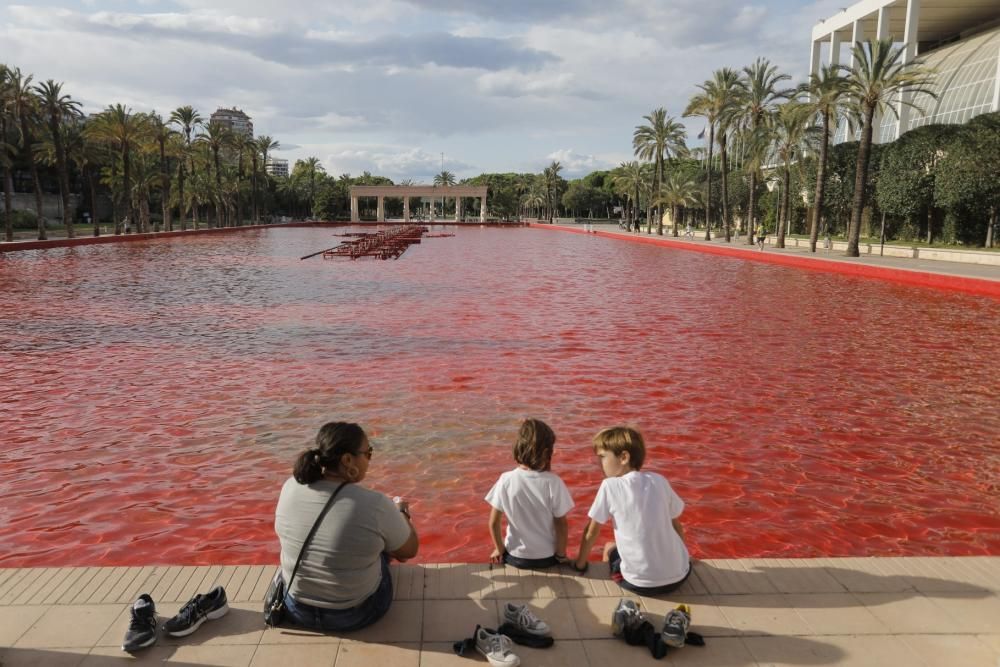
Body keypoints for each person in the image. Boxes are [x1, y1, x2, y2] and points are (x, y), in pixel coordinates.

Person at [274, 422, 418, 632]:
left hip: (296, 609)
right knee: (384, 546)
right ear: (348, 460)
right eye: (368, 453)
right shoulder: (374, 504)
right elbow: (410, 551)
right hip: (354, 614)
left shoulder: (290, 486)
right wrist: (401, 513)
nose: (369, 460)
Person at [573, 426, 690, 595]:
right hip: (680, 577)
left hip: (638, 584)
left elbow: (591, 532)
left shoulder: (610, 485)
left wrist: (580, 564)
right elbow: (676, 526)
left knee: (609, 547)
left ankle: (611, 585)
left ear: (623, 457)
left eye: (602, 457)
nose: (598, 464)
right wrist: (685, 556)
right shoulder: (659, 480)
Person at [486, 418, 574, 569]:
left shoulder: (506, 479)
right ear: (547, 452)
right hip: (547, 557)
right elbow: (561, 525)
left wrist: (499, 549)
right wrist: (561, 555)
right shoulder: (553, 482)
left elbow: (493, 523)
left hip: (515, 556)